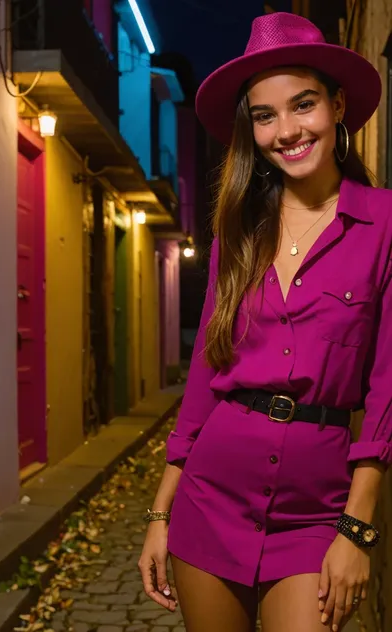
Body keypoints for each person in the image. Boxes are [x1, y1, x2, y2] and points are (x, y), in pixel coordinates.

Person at [138, 11, 392, 632]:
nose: (287, 131)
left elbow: (386, 387)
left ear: (336, 106)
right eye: (264, 115)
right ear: (250, 129)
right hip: (211, 497)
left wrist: (356, 530)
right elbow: (206, 371)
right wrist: (160, 513)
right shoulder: (239, 232)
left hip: (316, 511)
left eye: (302, 105)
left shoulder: (384, 224)